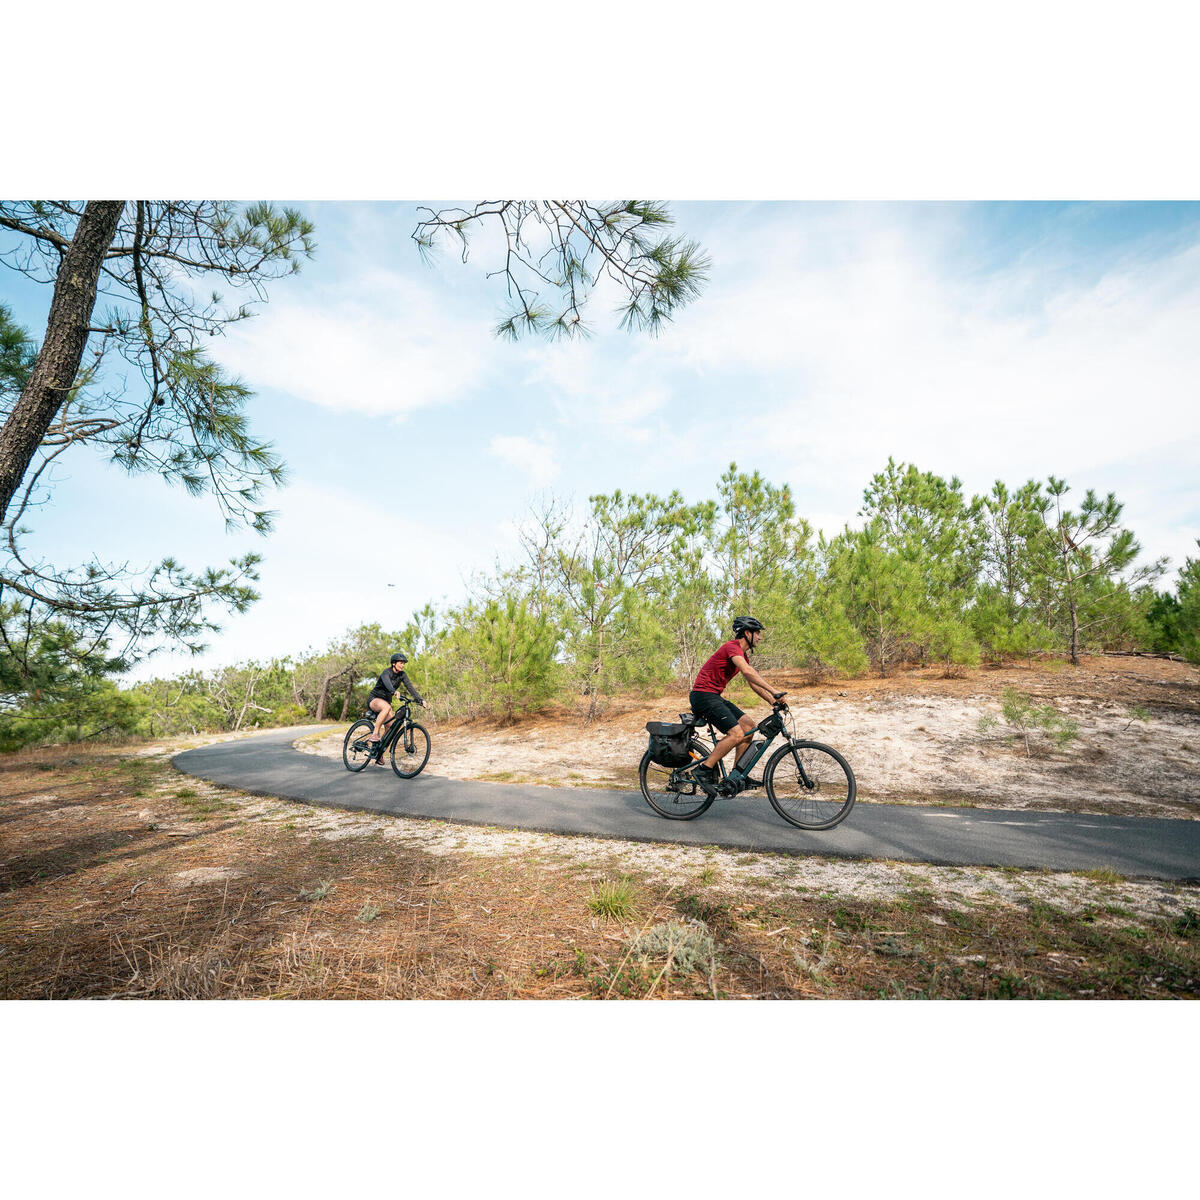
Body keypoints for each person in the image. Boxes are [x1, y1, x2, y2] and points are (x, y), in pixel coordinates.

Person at [683, 616, 788, 795]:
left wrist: (772, 700)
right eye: (758, 633)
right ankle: (704, 770)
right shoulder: (732, 647)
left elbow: (752, 682)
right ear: (747, 633)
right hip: (703, 696)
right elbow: (748, 671)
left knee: (749, 727)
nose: (760, 638)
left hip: (713, 696)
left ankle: (736, 776)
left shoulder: (742, 655)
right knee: (736, 733)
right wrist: (774, 690)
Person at [367, 652, 426, 761]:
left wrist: (420, 699)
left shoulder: (402, 675)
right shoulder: (386, 672)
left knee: (391, 727)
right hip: (374, 699)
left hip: (386, 703)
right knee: (387, 708)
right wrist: (393, 691)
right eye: (400, 663)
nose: (402, 665)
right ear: (394, 663)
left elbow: (410, 687)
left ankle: (379, 752)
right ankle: (375, 734)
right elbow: (387, 683)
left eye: (404, 663)